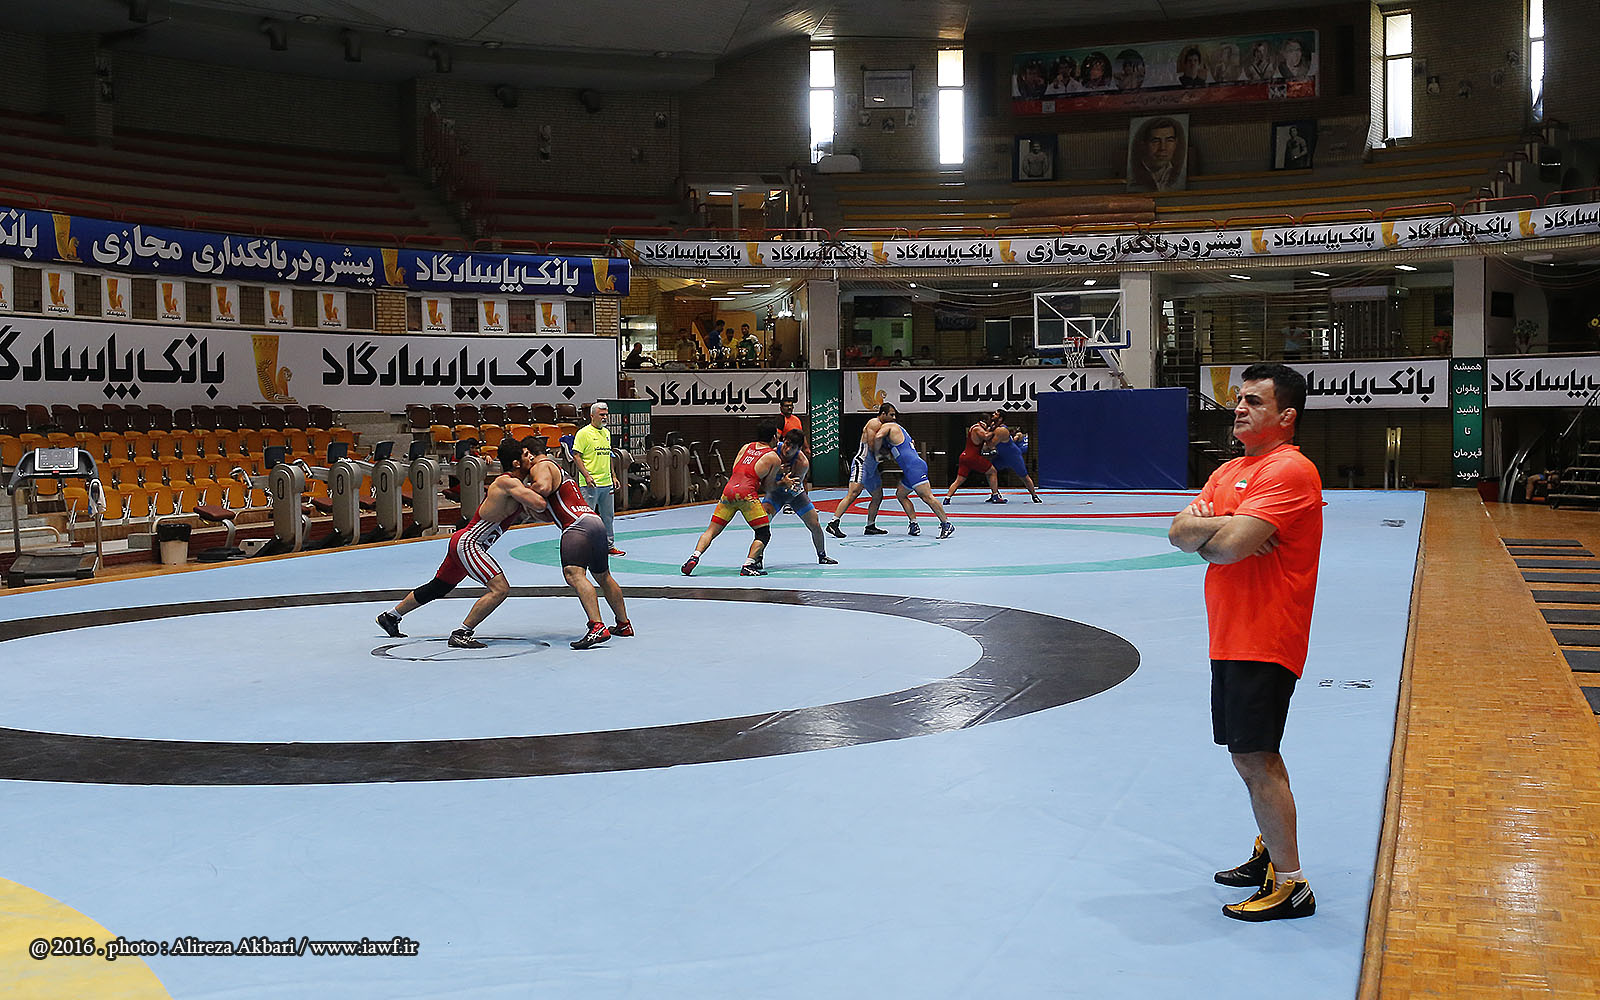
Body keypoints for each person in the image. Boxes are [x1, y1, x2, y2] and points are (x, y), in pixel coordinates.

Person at [1166, 362, 1323, 922]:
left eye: (1255, 401)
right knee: (1249, 756)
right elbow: (1179, 534)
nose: (1239, 408)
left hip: (1266, 635)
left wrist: (1217, 531)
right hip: (1231, 633)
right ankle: (1269, 851)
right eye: (1239, 399)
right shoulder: (1231, 469)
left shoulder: (1290, 470)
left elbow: (1225, 549)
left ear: (1286, 416)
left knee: (1257, 757)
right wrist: (1227, 527)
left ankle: (1293, 883)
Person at [376, 436, 548, 649]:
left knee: (438, 587)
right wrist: (544, 480)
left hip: (465, 542)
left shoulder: (516, 486)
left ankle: (391, 616)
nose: (531, 459)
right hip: (469, 544)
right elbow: (540, 504)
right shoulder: (508, 482)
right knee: (500, 589)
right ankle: (462, 633)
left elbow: (540, 513)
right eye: (526, 455)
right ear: (516, 463)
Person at [682, 421, 783, 577]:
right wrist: (783, 482)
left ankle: (694, 556)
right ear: (773, 437)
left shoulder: (746, 447)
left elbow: (735, 469)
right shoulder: (774, 457)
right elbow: (768, 487)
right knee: (763, 533)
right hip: (746, 494)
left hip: (729, 490)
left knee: (711, 531)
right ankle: (748, 565)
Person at [758, 428, 837, 567]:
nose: (787, 450)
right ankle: (757, 558)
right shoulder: (773, 452)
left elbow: (792, 486)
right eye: (787, 444)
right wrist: (777, 473)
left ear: (799, 449)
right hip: (775, 491)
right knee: (762, 523)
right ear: (783, 441)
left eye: (793, 447)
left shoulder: (802, 463)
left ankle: (822, 555)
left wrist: (782, 479)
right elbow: (764, 484)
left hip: (794, 494)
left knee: (814, 524)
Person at [873, 413, 956, 539]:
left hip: (914, 468)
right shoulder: (900, 432)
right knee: (901, 494)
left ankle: (946, 524)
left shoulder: (889, 426)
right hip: (911, 468)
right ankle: (913, 524)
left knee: (927, 497)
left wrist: (877, 453)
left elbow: (878, 437)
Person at [826, 404, 893, 538]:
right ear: (883, 414)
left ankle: (870, 526)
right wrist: (888, 455)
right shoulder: (874, 423)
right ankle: (833, 523)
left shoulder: (886, 428)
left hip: (872, 468)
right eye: (891, 414)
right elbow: (872, 446)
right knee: (853, 493)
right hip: (862, 464)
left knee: (878, 495)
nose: (894, 417)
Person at [572, 401, 624, 556]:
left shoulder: (606, 433)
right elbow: (576, 456)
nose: (605, 417)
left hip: (606, 483)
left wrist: (613, 476)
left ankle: (609, 546)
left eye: (606, 414)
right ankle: (585, 547)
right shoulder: (583, 433)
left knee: (608, 517)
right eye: (601, 415)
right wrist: (587, 476)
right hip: (590, 484)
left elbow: (609, 455)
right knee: (587, 518)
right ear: (592, 415)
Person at [943, 415, 1003, 504]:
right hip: (972, 457)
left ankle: (947, 498)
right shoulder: (977, 428)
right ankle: (995, 496)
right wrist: (995, 431)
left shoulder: (975, 428)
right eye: (988, 422)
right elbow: (986, 436)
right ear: (984, 421)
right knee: (993, 471)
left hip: (964, 457)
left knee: (959, 480)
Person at [988, 411, 1043, 503]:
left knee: (1024, 476)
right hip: (1002, 456)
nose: (993, 414)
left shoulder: (1001, 430)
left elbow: (990, 445)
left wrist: (983, 436)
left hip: (1013, 456)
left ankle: (1034, 496)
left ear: (1000, 418)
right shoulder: (993, 427)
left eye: (996, 414)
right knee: (989, 470)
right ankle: (995, 494)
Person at [1129, 116, 1187, 193]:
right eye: (1155, 141)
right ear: (1144, 144)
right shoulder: (1133, 176)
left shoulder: (1179, 176)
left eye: (1169, 140)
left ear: (1176, 143)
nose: (1162, 148)